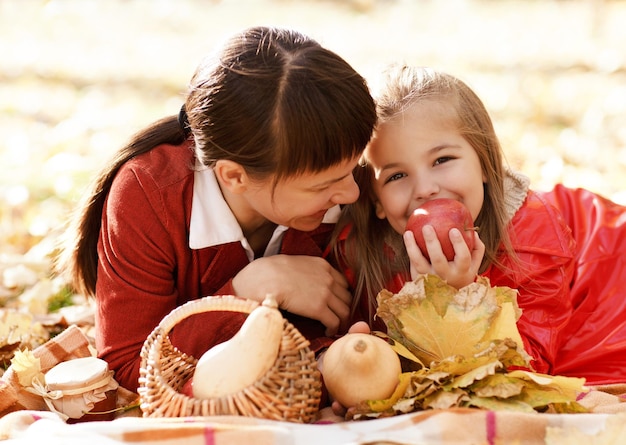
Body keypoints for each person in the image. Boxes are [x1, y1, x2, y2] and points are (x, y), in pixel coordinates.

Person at [57, 26, 377, 392]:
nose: (352, 192)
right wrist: (248, 292)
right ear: (234, 176)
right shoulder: (149, 195)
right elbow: (129, 369)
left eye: (353, 169)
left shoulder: (338, 170)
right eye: (322, 186)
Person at [331, 65, 626, 385]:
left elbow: (525, 367)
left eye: (442, 160)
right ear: (376, 201)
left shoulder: (534, 239)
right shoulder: (361, 251)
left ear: (485, 164)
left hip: (599, 295)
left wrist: (457, 299)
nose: (425, 188)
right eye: (397, 176)